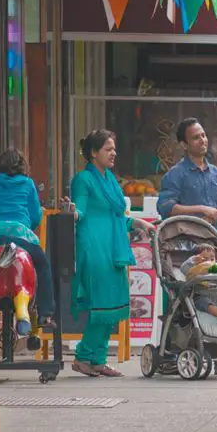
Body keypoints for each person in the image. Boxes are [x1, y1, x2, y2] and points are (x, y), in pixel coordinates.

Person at [70, 130, 156, 377]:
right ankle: (84, 357)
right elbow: (81, 211)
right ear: (94, 153)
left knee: (115, 305)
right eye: (108, 149)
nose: (113, 153)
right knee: (102, 304)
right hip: (94, 247)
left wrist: (140, 224)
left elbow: (117, 216)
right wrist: (73, 212)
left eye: (114, 149)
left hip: (114, 248)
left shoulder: (110, 179)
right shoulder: (83, 180)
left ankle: (97, 359)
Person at [0, 149, 54, 333]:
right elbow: (36, 216)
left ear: (0, 166)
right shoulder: (29, 184)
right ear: (22, 166)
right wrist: (28, 226)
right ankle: (45, 313)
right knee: (44, 265)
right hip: (22, 236)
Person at [158, 118, 217, 224]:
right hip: (184, 238)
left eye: (203, 135)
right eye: (196, 137)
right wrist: (202, 209)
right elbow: (165, 207)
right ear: (184, 145)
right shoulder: (175, 174)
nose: (202, 140)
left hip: (212, 237)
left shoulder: (215, 173)